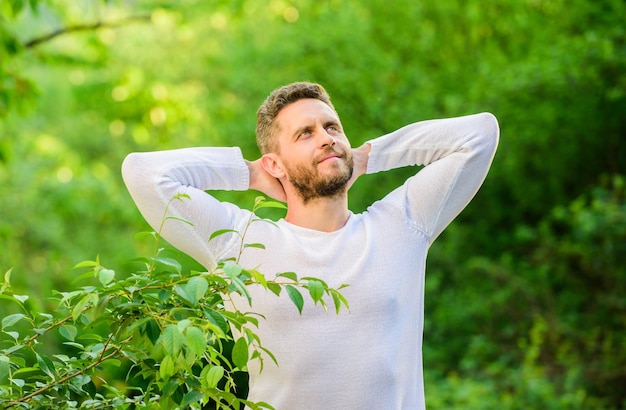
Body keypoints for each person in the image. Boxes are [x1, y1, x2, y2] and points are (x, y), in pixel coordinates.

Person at [122, 81, 499, 409]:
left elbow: (479, 134)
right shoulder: (239, 243)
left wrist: (365, 158)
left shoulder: (401, 225)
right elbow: (143, 173)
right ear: (276, 164)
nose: (326, 137)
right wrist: (251, 173)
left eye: (332, 127)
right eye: (305, 133)